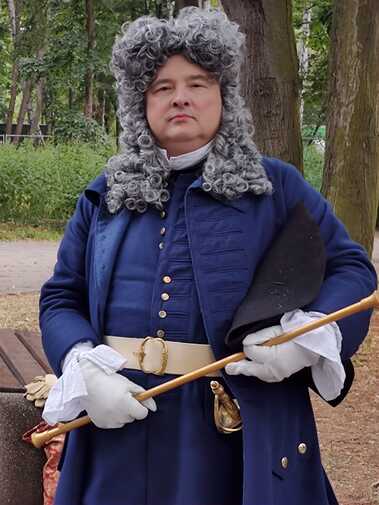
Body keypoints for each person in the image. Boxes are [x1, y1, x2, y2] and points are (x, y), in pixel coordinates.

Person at [40, 7, 376, 505]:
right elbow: (61, 298)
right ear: (141, 103)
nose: (180, 97)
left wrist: (304, 340)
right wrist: (83, 365)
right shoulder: (104, 194)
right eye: (161, 87)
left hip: (231, 436)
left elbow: (352, 271)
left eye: (197, 83)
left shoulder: (276, 186)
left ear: (224, 97)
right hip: (118, 426)